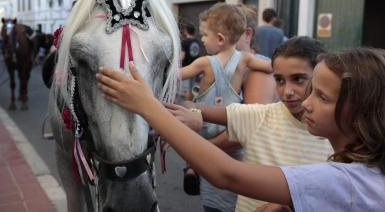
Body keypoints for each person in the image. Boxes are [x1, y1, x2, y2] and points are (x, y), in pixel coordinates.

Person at [97, 47, 385, 212]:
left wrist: (148, 107)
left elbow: (227, 174)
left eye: (322, 97)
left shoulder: (345, 181)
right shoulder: (366, 176)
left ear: (362, 111)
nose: (305, 103)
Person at [171, 37, 333, 211]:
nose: (288, 91)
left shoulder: (337, 135)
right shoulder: (260, 115)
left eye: (298, 79)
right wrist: (194, 114)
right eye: (279, 80)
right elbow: (193, 107)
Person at [179, 3, 272, 212]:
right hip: (225, 130)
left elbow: (177, 74)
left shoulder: (208, 62)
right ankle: (193, 167)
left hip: (210, 129)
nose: (202, 39)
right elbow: (274, 66)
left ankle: (192, 166)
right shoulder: (245, 60)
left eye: (205, 35)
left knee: (193, 129)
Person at [180, 24, 202, 100]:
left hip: (186, 68)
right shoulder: (197, 41)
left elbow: (181, 56)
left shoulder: (185, 42)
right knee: (192, 88)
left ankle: (187, 106)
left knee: (186, 89)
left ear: (186, 31)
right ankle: (192, 104)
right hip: (195, 68)